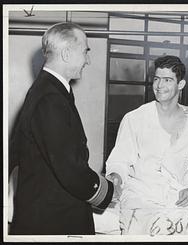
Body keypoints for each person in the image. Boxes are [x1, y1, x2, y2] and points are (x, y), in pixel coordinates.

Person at [9, 22, 114, 235]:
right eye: (86, 51)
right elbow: (70, 170)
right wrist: (108, 191)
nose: (88, 60)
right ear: (67, 53)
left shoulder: (48, 91)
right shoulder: (50, 98)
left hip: (46, 213)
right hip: (54, 219)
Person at [105, 55, 188, 235]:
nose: (159, 86)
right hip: (140, 196)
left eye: (167, 80)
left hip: (177, 195)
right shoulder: (135, 118)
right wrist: (116, 177)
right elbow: (120, 160)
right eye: (156, 79)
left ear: (181, 85)